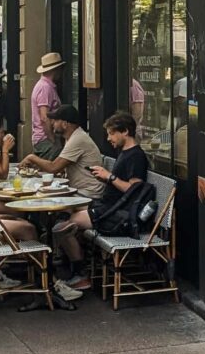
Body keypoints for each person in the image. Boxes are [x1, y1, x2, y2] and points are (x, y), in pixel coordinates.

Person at [52, 111, 149, 295]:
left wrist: (109, 176)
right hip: (107, 207)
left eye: (112, 133)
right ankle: (73, 268)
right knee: (64, 216)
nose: (109, 138)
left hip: (116, 214)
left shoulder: (136, 156)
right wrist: (105, 177)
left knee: (62, 227)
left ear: (125, 132)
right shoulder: (124, 153)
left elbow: (134, 191)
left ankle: (80, 275)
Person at [22, 104, 105, 200]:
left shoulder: (77, 139)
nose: (52, 123)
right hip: (77, 190)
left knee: (41, 200)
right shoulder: (71, 137)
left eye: (56, 120)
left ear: (65, 124)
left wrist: (31, 158)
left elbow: (53, 167)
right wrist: (36, 168)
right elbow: (59, 168)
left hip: (87, 194)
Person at [31, 52, 65, 160]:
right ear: (55, 70)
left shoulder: (45, 86)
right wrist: (53, 140)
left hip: (43, 138)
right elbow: (44, 117)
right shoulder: (45, 88)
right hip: (45, 139)